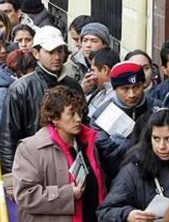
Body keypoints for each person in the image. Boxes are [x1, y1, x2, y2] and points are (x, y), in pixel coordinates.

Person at [97, 109, 169, 222]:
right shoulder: (135, 167)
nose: (161, 146)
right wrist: (127, 214)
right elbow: (105, 212)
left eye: (168, 139)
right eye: (156, 139)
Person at [13, 85, 106, 222]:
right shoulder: (30, 149)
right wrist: (68, 194)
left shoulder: (87, 143)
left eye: (79, 112)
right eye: (71, 113)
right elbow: (26, 195)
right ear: (54, 118)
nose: (78, 119)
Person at [0, 26, 84, 173]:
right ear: (36, 53)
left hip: (70, 165)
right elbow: (8, 137)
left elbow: (84, 124)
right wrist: (12, 178)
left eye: (60, 51)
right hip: (34, 165)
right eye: (50, 52)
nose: (57, 57)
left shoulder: (73, 85)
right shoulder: (20, 89)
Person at [90, 61, 160, 181]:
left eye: (136, 87)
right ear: (115, 89)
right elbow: (105, 153)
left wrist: (123, 146)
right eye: (125, 89)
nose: (132, 94)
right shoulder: (102, 115)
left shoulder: (157, 109)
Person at [0, 49, 37, 158]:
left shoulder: (14, 88)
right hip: (5, 155)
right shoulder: (1, 94)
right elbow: (5, 128)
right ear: (19, 72)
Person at [65, 22, 110, 94]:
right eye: (85, 40)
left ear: (104, 44)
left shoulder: (112, 64)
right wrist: (81, 90)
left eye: (94, 41)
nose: (88, 45)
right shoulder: (70, 67)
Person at [86, 48, 120, 117]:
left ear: (105, 70)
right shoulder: (100, 91)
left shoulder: (116, 98)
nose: (90, 74)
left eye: (93, 70)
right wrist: (82, 90)